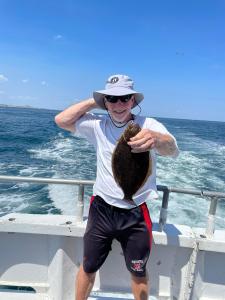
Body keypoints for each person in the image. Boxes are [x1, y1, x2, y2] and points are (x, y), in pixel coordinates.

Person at [55, 74, 179, 300]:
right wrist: (95, 101)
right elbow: (61, 120)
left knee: (138, 271)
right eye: (112, 98)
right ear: (105, 102)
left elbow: (172, 150)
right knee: (89, 265)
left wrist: (157, 140)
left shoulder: (148, 126)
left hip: (135, 211)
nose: (119, 104)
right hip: (101, 209)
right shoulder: (97, 125)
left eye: (125, 98)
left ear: (134, 101)